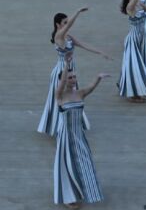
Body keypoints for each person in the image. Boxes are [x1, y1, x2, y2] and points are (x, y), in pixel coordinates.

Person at [38, 8, 107, 136]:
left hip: (71, 70)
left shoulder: (68, 37)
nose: (67, 24)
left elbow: (83, 45)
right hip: (61, 70)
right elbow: (70, 24)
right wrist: (77, 12)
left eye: (66, 22)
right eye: (64, 22)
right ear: (58, 24)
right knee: (60, 98)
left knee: (72, 96)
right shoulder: (58, 36)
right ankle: (58, 127)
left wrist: (99, 52)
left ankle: (71, 124)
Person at [53, 72, 110, 208]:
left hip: (79, 135)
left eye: (74, 77)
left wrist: (98, 77)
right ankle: (68, 197)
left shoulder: (80, 93)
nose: (73, 79)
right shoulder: (60, 95)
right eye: (70, 77)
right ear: (63, 80)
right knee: (67, 166)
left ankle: (84, 192)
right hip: (66, 137)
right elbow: (61, 84)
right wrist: (66, 65)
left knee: (86, 164)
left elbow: (91, 87)